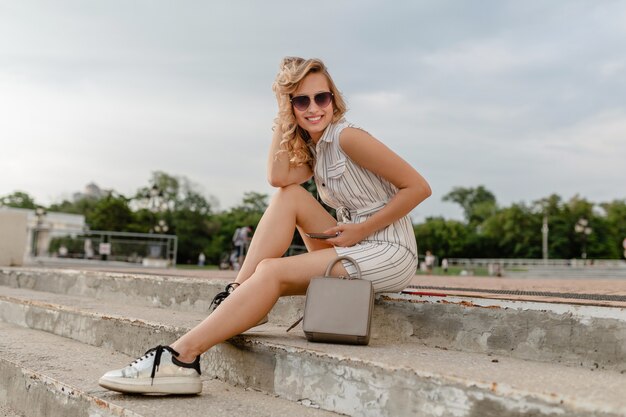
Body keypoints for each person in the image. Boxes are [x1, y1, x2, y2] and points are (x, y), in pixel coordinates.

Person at [98, 57, 431, 395]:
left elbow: (419, 187)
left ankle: (181, 358)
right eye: (301, 100)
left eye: (322, 97)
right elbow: (277, 178)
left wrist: (361, 230)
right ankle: (237, 293)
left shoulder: (349, 138)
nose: (314, 107)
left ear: (333, 99)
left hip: (388, 250)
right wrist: (283, 116)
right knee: (289, 196)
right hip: (354, 244)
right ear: (291, 105)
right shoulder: (318, 149)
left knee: (271, 270)